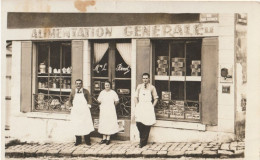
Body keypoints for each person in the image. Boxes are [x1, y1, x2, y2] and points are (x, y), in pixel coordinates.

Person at [134, 73, 158, 148]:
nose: (145, 80)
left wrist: (152, 106)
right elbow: (135, 97)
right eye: (144, 78)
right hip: (140, 106)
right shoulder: (139, 87)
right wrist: (137, 105)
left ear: (149, 79)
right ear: (142, 79)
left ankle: (142, 142)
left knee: (147, 124)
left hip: (148, 107)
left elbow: (156, 98)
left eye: (146, 78)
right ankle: (142, 139)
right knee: (139, 123)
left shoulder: (152, 87)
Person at [69, 79, 94, 146]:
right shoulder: (73, 92)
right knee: (77, 125)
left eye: (79, 83)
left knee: (86, 125)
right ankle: (78, 141)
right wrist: (71, 107)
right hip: (76, 112)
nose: (78, 85)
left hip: (84, 111)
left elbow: (89, 99)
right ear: (75, 84)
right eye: (77, 83)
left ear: (82, 84)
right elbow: (70, 100)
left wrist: (88, 106)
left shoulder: (86, 91)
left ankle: (87, 141)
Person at [97, 81, 119, 145]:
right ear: (104, 86)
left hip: (110, 110)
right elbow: (99, 100)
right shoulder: (102, 93)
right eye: (106, 85)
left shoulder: (113, 93)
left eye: (108, 85)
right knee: (103, 123)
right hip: (104, 110)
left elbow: (117, 101)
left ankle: (108, 139)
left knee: (109, 123)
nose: (107, 86)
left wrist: (112, 106)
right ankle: (103, 138)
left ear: (110, 86)